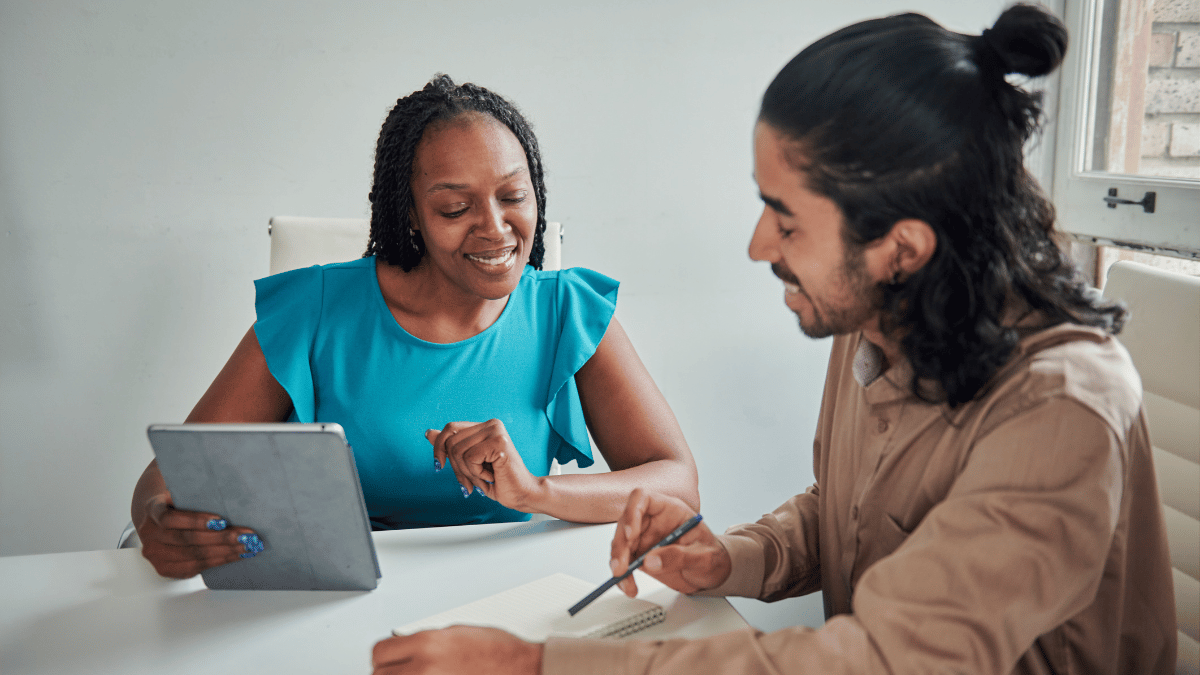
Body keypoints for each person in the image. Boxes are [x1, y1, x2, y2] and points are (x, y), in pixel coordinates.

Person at [370, 6, 1177, 675]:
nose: (759, 244)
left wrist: (533, 663)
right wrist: (728, 557)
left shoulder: (1062, 404)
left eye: (786, 218)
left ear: (902, 245)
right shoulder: (876, 311)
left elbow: (883, 659)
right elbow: (853, 509)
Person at [130, 75, 700, 579]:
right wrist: (160, 521)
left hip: (510, 596)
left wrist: (537, 492)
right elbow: (169, 477)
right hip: (345, 600)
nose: (496, 229)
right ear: (410, 214)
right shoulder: (315, 309)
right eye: (455, 208)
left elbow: (678, 482)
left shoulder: (567, 309)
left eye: (513, 196)